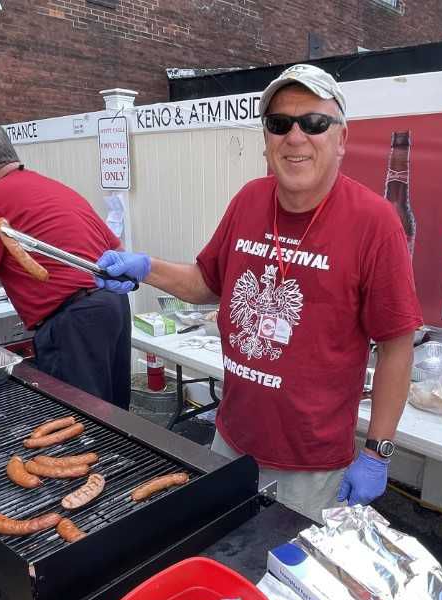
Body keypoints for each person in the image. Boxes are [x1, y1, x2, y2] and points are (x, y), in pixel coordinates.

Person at [96, 64, 422, 520]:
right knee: (220, 566)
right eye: (278, 123)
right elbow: (207, 282)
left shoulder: (375, 222)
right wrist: (146, 267)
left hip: (311, 463)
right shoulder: (249, 200)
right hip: (232, 440)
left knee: (286, 579)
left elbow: (396, 348)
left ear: (342, 139)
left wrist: (377, 452)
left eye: (314, 123)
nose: (295, 136)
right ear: (265, 139)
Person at [0, 123, 132, 408]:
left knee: (82, 419)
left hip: (74, 320)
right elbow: (118, 250)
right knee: (114, 410)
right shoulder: (55, 187)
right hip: (114, 304)